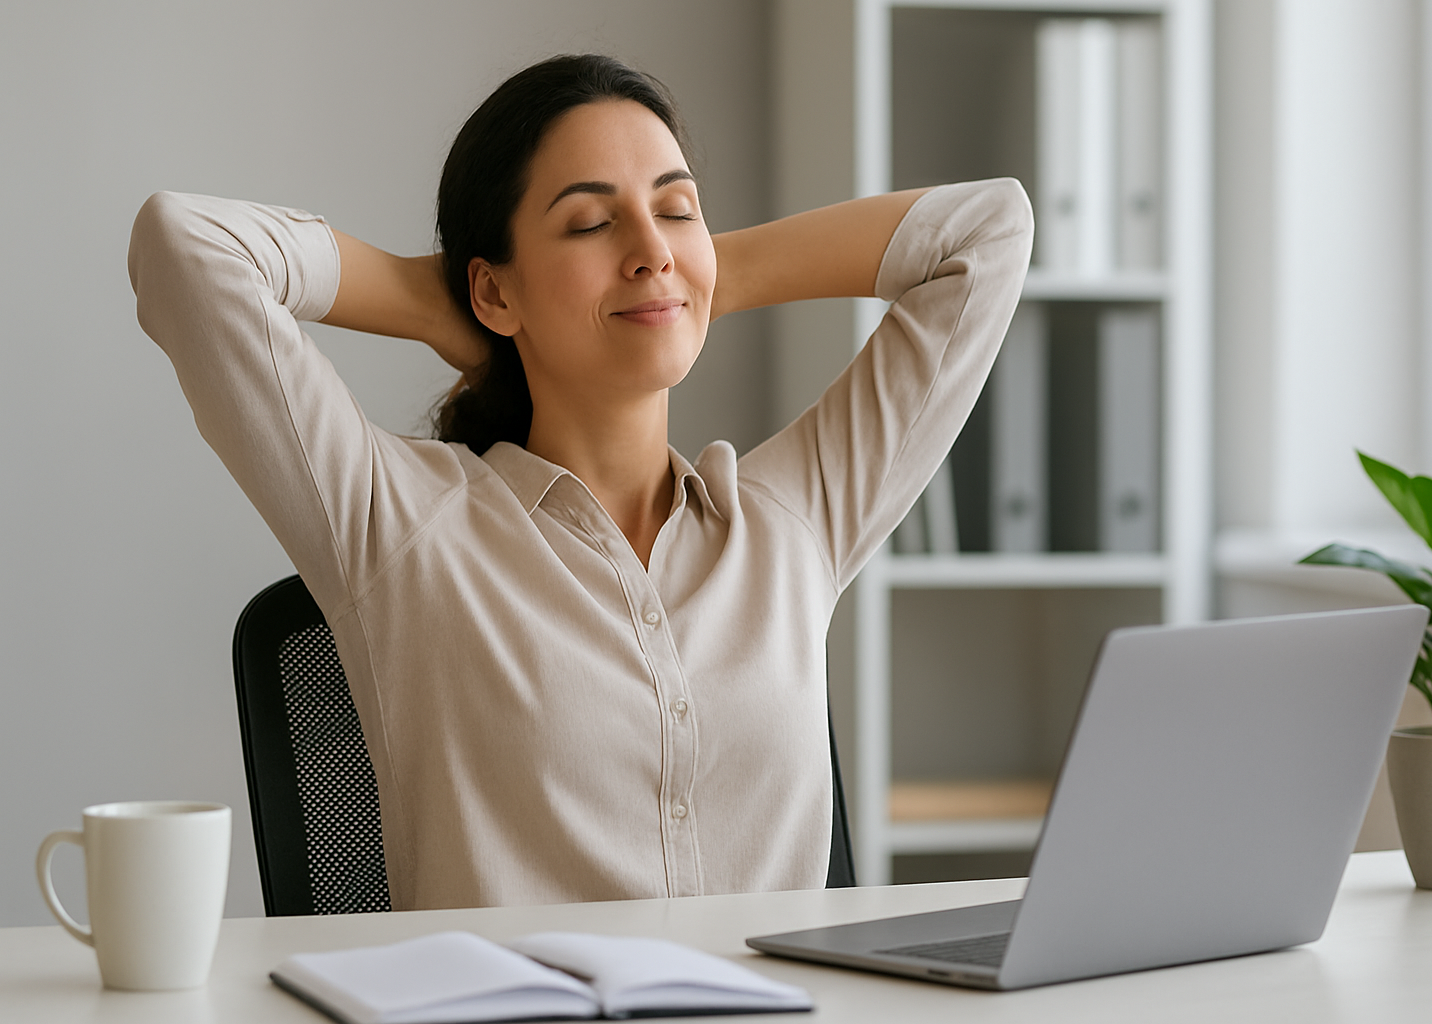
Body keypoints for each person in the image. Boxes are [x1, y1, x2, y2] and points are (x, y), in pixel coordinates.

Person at [128, 54, 1032, 911]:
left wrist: (697, 276)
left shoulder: (789, 524)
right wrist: (430, 299)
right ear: (492, 292)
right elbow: (187, 247)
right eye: (593, 224)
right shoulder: (404, 525)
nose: (648, 247)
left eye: (677, 209)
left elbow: (989, 231)